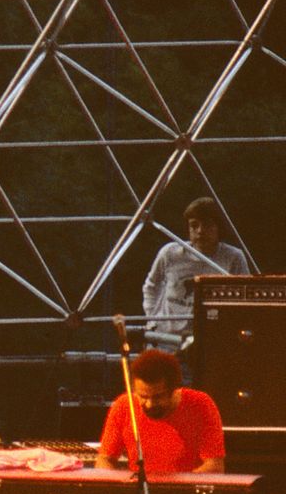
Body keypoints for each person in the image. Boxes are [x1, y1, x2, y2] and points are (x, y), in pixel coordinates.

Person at [95, 348, 224, 473]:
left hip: (184, 492)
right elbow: (104, 459)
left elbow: (214, 466)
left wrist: (177, 488)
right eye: (143, 397)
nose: (150, 404)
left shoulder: (200, 404)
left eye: (158, 396)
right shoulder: (123, 405)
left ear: (173, 389)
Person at [142, 196, 249, 344]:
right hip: (165, 337)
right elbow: (151, 286)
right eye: (194, 225)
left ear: (219, 227)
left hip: (207, 340)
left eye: (207, 225)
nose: (200, 231)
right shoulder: (170, 253)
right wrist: (152, 319)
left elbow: (245, 301)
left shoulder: (233, 257)